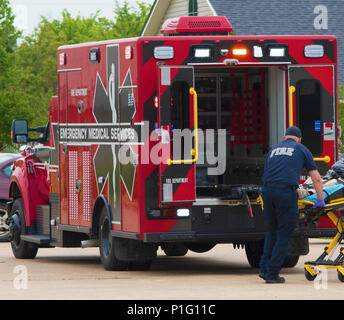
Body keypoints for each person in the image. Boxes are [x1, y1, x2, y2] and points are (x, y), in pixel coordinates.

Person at [259, 126, 325, 283]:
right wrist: (320, 200)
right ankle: (272, 274)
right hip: (285, 193)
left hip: (267, 192)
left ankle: (263, 268)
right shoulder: (302, 149)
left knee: (272, 231)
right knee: (284, 234)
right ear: (299, 139)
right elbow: (316, 178)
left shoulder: (273, 149)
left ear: (284, 138)